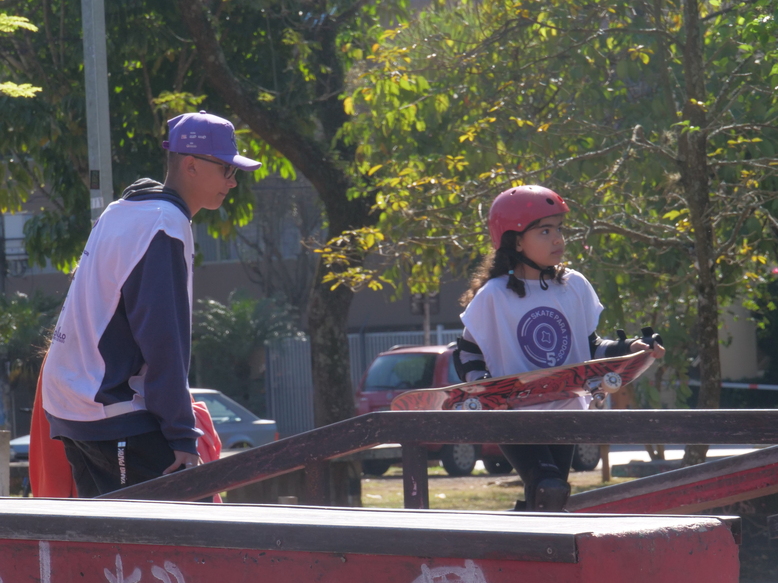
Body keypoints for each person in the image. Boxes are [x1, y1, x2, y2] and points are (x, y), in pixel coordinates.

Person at [40, 111, 261, 498]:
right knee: (187, 525)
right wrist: (182, 435)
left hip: (70, 403)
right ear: (191, 165)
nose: (232, 181)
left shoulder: (121, 210)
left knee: (108, 535)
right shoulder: (164, 225)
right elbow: (163, 340)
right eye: (227, 169)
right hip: (111, 409)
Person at [455, 185, 664, 511]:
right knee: (548, 489)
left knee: (549, 498)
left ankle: (517, 540)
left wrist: (630, 348)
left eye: (559, 229)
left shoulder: (573, 286)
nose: (558, 239)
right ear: (516, 241)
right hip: (515, 416)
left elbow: (590, 348)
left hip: (566, 411)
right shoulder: (494, 295)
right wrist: (484, 388)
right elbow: (466, 352)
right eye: (545, 231)